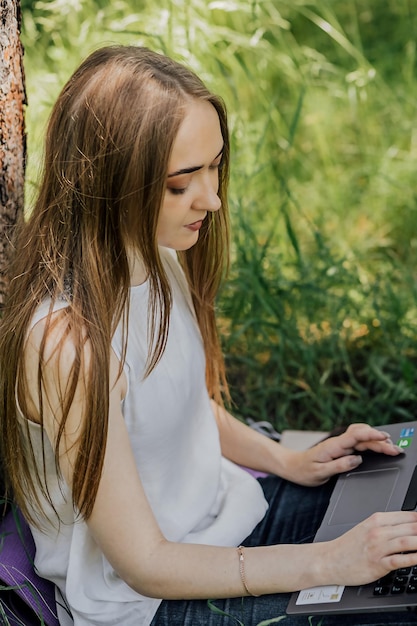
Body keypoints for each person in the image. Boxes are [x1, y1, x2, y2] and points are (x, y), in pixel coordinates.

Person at [1, 45, 417, 626]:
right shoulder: (68, 348)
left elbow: (182, 408)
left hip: (230, 520)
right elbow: (146, 564)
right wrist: (329, 563)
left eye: (215, 165)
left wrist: (290, 461)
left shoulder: (158, 253)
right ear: (108, 182)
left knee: (405, 473)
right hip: (151, 601)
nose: (213, 198)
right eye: (180, 183)